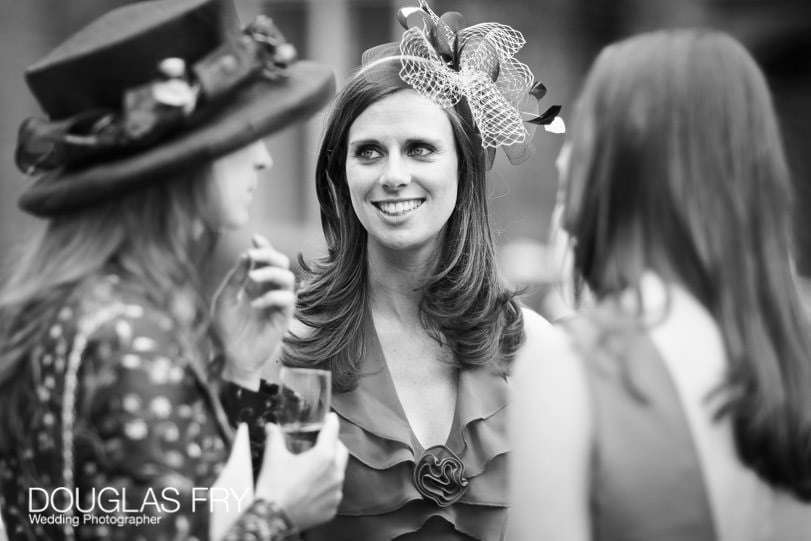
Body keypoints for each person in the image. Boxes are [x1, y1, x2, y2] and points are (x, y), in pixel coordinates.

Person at [0, 0, 348, 539]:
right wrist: (280, 512)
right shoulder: (129, 337)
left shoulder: (71, 310)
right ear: (186, 158)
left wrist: (236, 374)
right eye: (243, 131)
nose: (264, 158)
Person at [509, 29, 811, 541]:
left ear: (622, 161)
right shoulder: (789, 351)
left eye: (587, 132)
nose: (563, 155)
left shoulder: (570, 365)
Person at [280, 2, 563, 539]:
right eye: (368, 152)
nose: (393, 175)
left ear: (464, 167)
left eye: (419, 149)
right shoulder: (295, 346)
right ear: (341, 176)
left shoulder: (537, 352)